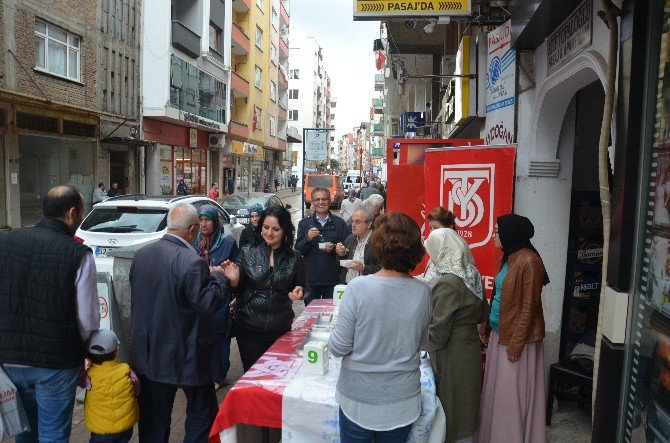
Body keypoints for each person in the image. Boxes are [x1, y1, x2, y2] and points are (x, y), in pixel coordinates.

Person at [0, 186, 100, 442]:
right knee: (53, 434)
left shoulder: (5, 242)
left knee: (24, 430)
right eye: (81, 213)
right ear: (72, 213)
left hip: (9, 358)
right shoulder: (78, 253)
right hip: (56, 362)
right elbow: (88, 320)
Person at [129, 203, 230, 442]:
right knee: (202, 413)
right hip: (187, 355)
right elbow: (206, 303)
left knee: (154, 421)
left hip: (149, 355)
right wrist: (219, 277)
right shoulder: (191, 261)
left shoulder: (142, 255)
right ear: (193, 229)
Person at [328, 212, 431, 443]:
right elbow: (423, 343)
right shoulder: (424, 292)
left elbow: (338, 347)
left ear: (378, 246)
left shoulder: (358, 288)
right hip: (403, 398)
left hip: (358, 397)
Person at [477, 214, 550, 443]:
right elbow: (499, 297)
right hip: (502, 336)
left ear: (511, 233)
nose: (494, 235)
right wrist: (488, 327)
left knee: (511, 398)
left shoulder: (530, 261)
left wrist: (516, 346)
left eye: (497, 231)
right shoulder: (510, 257)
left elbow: (529, 308)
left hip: (519, 342)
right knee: (499, 397)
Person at [220, 205, 307, 371]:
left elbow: (304, 286)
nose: (269, 233)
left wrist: (300, 291)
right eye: (266, 227)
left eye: (276, 229)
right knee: (253, 377)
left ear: (285, 231)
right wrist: (233, 281)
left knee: (277, 376)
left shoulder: (294, 258)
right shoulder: (247, 252)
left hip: (281, 328)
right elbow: (237, 290)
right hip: (248, 328)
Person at [424, 228, 489, 443]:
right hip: (468, 348)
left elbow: (439, 333)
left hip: (451, 353)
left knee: (451, 407)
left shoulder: (448, 283)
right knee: (466, 405)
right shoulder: (473, 274)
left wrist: (417, 341)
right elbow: (483, 314)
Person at [193, 205, 239, 386]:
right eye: (200, 220)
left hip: (221, 299)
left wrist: (236, 294)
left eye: (207, 220)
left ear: (215, 222)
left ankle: (218, 375)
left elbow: (236, 271)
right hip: (199, 298)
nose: (203, 225)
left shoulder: (227, 243)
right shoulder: (193, 243)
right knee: (201, 338)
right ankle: (203, 373)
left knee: (221, 338)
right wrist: (211, 269)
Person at [83, 329, 140, 443]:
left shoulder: (88, 376)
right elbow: (137, 390)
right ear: (116, 351)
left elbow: (81, 383)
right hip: (125, 427)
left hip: (100, 431)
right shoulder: (126, 370)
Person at [296, 187, 348, 305]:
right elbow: (298, 251)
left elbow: (347, 252)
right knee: (310, 317)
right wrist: (308, 239)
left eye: (324, 199)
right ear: (313, 202)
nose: (321, 202)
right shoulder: (304, 224)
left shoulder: (339, 223)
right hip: (311, 281)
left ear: (329, 201)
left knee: (332, 315)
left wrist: (337, 250)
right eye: (317, 200)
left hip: (333, 280)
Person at [335, 207, 381, 284]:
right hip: (347, 286)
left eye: (357, 222)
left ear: (369, 224)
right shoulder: (350, 239)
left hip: (368, 288)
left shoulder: (377, 241)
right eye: (352, 221)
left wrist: (363, 267)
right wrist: (341, 254)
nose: (353, 224)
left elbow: (382, 269)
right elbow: (339, 265)